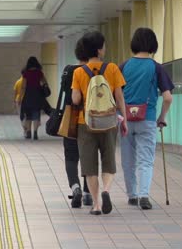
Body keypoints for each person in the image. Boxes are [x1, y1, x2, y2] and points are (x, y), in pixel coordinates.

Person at [71, 31, 128, 215]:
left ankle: (96, 205)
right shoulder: (112, 68)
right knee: (108, 160)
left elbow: (76, 99)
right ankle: (106, 191)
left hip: (85, 122)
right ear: (99, 49)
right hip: (109, 121)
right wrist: (124, 119)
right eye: (103, 45)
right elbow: (119, 97)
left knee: (89, 166)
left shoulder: (79, 72)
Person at [119, 28, 174, 210]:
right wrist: (161, 117)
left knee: (128, 159)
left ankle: (132, 195)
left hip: (125, 120)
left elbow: (114, 93)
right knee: (145, 159)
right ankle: (144, 196)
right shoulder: (156, 67)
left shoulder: (124, 66)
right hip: (147, 119)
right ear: (153, 45)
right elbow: (167, 97)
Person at [64, 39, 92, 208]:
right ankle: (89, 193)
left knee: (71, 156)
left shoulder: (69, 70)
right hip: (91, 119)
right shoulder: (96, 71)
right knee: (89, 156)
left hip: (71, 119)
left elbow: (67, 97)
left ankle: (76, 188)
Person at [18, 56, 48, 140]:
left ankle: (28, 132)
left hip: (28, 95)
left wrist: (20, 97)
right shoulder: (39, 73)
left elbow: (23, 87)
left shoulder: (26, 73)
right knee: (36, 114)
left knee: (28, 115)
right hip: (37, 95)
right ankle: (35, 132)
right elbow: (45, 83)